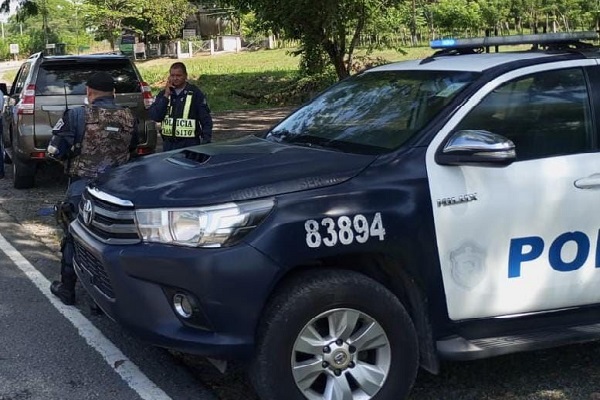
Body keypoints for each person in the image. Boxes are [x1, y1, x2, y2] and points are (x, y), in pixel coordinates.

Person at [48, 71, 139, 305]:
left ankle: (67, 288)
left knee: (75, 235)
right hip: (117, 190)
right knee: (109, 242)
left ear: (89, 92)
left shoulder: (77, 115)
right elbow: (134, 148)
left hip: (83, 186)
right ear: (114, 93)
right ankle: (108, 295)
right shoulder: (129, 116)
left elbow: (55, 150)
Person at [149, 62, 213, 151]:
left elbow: (205, 119)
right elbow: (156, 116)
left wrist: (206, 139)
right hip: (169, 145)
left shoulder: (195, 93)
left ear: (185, 76)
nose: (175, 78)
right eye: (172, 75)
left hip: (190, 144)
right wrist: (166, 95)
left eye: (179, 75)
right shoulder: (163, 94)